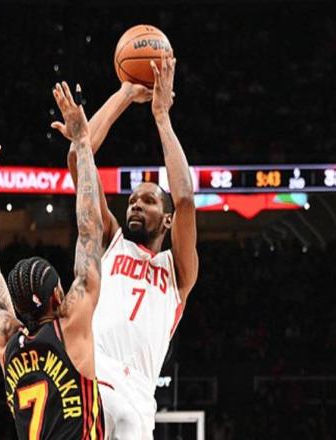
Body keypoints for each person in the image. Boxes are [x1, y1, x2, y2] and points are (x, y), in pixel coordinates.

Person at [55, 56, 198, 438]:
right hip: (95, 375)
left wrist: (162, 117)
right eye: (133, 199)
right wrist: (125, 93)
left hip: (139, 400)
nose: (135, 204)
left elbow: (185, 199)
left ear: (166, 221)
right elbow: (78, 158)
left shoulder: (177, 272)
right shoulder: (111, 240)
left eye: (148, 201)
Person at [0, 81, 105, 439]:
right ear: (58, 295)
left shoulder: (7, 340)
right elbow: (90, 230)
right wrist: (82, 141)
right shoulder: (70, 328)